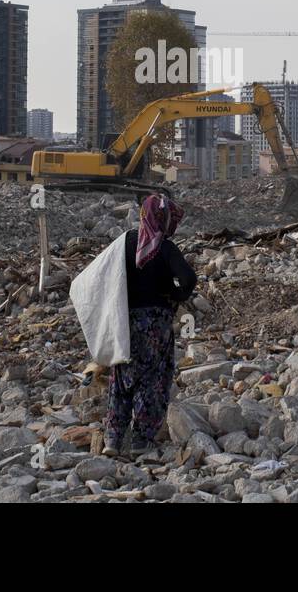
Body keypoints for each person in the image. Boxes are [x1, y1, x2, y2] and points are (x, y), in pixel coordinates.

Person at [104, 193, 197, 457]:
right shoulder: (164, 247)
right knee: (152, 379)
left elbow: (103, 276)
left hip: (124, 320)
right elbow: (188, 279)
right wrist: (176, 296)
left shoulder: (124, 243)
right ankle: (141, 441)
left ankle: (112, 439)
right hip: (155, 324)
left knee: (121, 377)